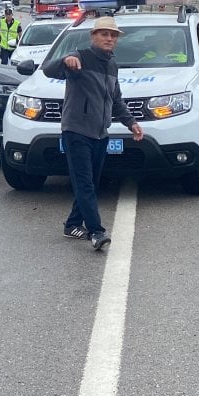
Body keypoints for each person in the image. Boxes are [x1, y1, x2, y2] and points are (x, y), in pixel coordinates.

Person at [41, 16, 144, 251]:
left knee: (89, 183)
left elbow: (116, 99)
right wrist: (65, 61)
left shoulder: (111, 65)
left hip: (100, 133)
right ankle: (96, 232)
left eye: (113, 35)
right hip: (76, 131)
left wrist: (131, 123)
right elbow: (48, 70)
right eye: (104, 34)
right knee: (85, 184)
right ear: (93, 37)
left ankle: (72, 224)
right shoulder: (80, 57)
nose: (109, 38)